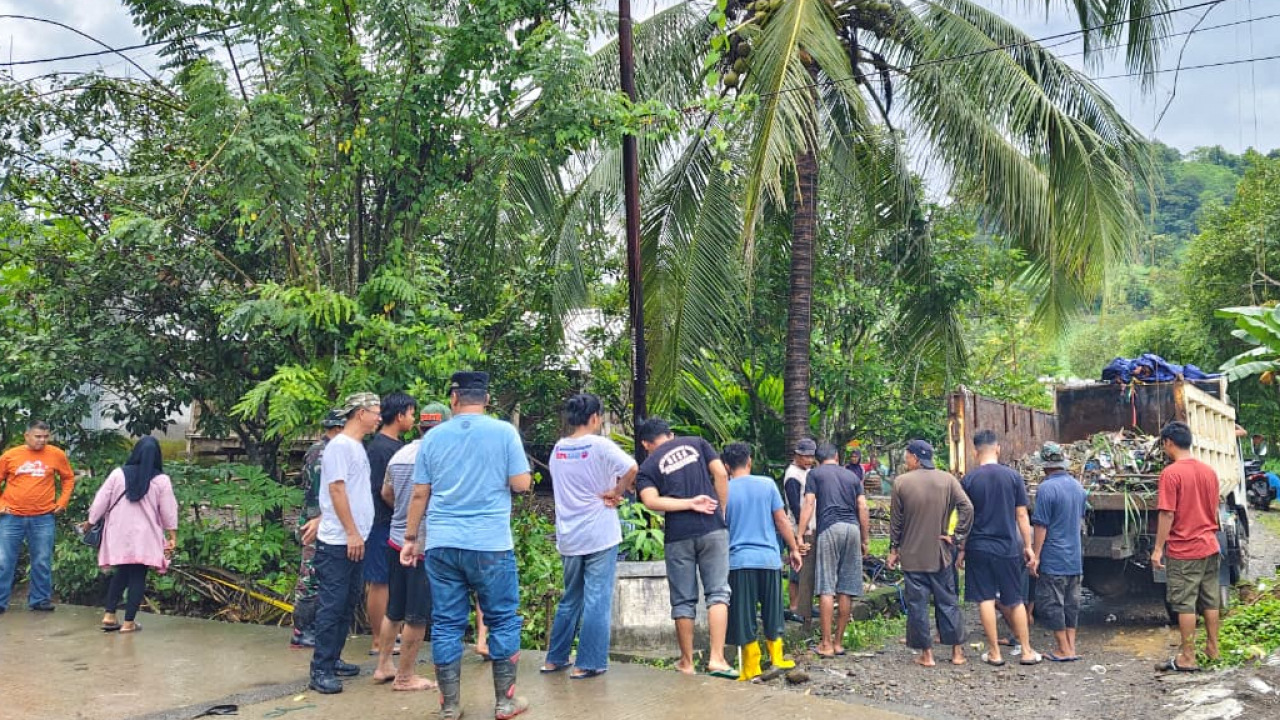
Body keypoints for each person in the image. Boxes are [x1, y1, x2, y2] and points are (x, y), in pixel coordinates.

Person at [400, 371, 532, 720]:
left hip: (442, 544)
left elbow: (419, 493)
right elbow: (521, 484)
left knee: (445, 623)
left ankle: (449, 707)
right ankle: (505, 702)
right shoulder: (504, 432)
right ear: (486, 399)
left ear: (453, 400)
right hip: (490, 543)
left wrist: (411, 539)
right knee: (502, 620)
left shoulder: (432, 438)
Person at [541, 393, 638, 679]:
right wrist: (617, 492)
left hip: (569, 535)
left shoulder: (558, 449)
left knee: (571, 597)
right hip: (599, 533)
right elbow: (632, 467)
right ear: (595, 417)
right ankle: (589, 662)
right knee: (597, 598)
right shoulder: (600, 445)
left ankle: (554, 659)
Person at [636, 417, 734, 677]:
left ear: (647, 443)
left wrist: (688, 503)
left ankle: (687, 662)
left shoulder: (647, 466)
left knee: (683, 600)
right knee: (718, 594)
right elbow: (722, 473)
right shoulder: (698, 443)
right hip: (713, 528)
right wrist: (720, 509)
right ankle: (717, 659)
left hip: (678, 536)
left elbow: (650, 501)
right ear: (670, 434)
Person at [373, 403, 450, 691]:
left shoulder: (399, 454)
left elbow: (386, 493)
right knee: (417, 613)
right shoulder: (439, 457)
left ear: (420, 427)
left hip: (395, 539)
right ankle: (405, 677)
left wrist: (403, 515)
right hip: (421, 543)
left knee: (395, 608)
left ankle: (383, 666)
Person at [308, 392, 381, 694]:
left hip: (356, 539)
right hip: (340, 541)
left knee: (347, 603)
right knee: (332, 604)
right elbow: (336, 490)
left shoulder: (356, 446)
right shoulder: (339, 446)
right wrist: (350, 532)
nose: (379, 417)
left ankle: (334, 658)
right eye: (375, 411)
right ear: (360, 413)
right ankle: (320, 668)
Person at [887, 439, 972, 668]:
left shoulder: (901, 483)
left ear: (915, 457)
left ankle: (927, 655)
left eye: (907, 458)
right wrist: (956, 537)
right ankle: (957, 653)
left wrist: (893, 550)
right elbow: (968, 508)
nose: (906, 462)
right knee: (948, 602)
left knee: (918, 605)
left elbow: (896, 522)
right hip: (941, 553)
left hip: (912, 556)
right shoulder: (948, 480)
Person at [722, 442, 803, 681]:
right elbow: (781, 520)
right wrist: (794, 549)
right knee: (773, 609)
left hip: (739, 561)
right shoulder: (767, 485)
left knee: (744, 613)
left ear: (726, 466)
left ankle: (750, 665)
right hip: (769, 559)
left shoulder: (724, 490)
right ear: (750, 461)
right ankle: (777, 657)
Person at [959, 430, 1041, 667]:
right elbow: (1022, 514)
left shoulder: (969, 480)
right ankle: (1026, 651)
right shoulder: (1012, 477)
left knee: (985, 599)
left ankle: (994, 653)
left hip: (978, 547)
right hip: (1007, 546)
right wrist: (1028, 546)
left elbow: (965, 517)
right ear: (997, 449)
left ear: (976, 453)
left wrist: (962, 548)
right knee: (1014, 599)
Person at [83, 437, 178, 633]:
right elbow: (169, 510)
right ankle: (128, 623)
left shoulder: (118, 474)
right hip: (145, 536)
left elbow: (101, 500)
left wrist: (90, 522)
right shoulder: (161, 480)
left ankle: (109, 615)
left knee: (122, 572)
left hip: (118, 533)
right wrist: (172, 535)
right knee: (137, 576)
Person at [1152, 420, 1223, 673]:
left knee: (1185, 604)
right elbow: (1214, 509)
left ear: (1169, 443)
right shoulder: (1209, 472)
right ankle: (1213, 649)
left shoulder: (1171, 473)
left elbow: (1167, 514)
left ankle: (1187, 657)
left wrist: (1158, 548)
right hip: (1210, 546)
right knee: (1210, 600)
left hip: (1185, 549)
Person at [796, 443, 870, 659]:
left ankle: (826, 643)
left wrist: (800, 534)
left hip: (829, 527)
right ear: (837, 456)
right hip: (852, 529)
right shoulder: (852, 477)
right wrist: (865, 539)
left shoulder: (815, 474)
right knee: (846, 587)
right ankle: (838, 642)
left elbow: (809, 504)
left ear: (818, 459)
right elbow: (863, 507)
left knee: (827, 587)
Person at [0, 420, 76, 613]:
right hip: (12, 517)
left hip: (43, 517)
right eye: (37, 436)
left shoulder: (56, 454)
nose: (42, 441)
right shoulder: (10, 456)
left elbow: (68, 478)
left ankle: (40, 600)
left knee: (42, 559)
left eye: (45, 437)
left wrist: (62, 502)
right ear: (27, 436)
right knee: (4, 561)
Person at [365, 391, 417, 656]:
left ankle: (389, 636)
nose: (413, 419)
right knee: (379, 580)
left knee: (392, 582)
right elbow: (381, 490)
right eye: (411, 413)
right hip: (381, 523)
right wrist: (404, 511)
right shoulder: (379, 448)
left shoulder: (398, 447)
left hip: (395, 524)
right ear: (400, 415)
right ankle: (377, 639)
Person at [291, 409, 346, 648]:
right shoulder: (321, 453)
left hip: (328, 522)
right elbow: (315, 494)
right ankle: (301, 629)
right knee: (310, 577)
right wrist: (316, 522)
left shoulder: (335, 451)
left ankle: (315, 627)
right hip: (316, 522)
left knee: (322, 577)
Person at [1030, 442, 1087, 662]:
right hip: (1074, 556)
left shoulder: (1046, 489)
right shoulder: (1078, 487)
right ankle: (1071, 646)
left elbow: (1041, 526)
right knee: (1072, 604)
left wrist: (1036, 556)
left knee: (1052, 603)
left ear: (1044, 466)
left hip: (1055, 556)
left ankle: (1063, 648)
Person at [782, 438, 817, 621]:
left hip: (809, 526)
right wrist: (800, 533)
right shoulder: (792, 476)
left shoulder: (808, 472)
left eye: (811, 456)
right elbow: (795, 505)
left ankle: (805, 605)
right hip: (797, 527)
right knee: (797, 568)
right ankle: (795, 605)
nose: (809, 460)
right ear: (797, 455)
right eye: (806, 457)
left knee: (807, 568)